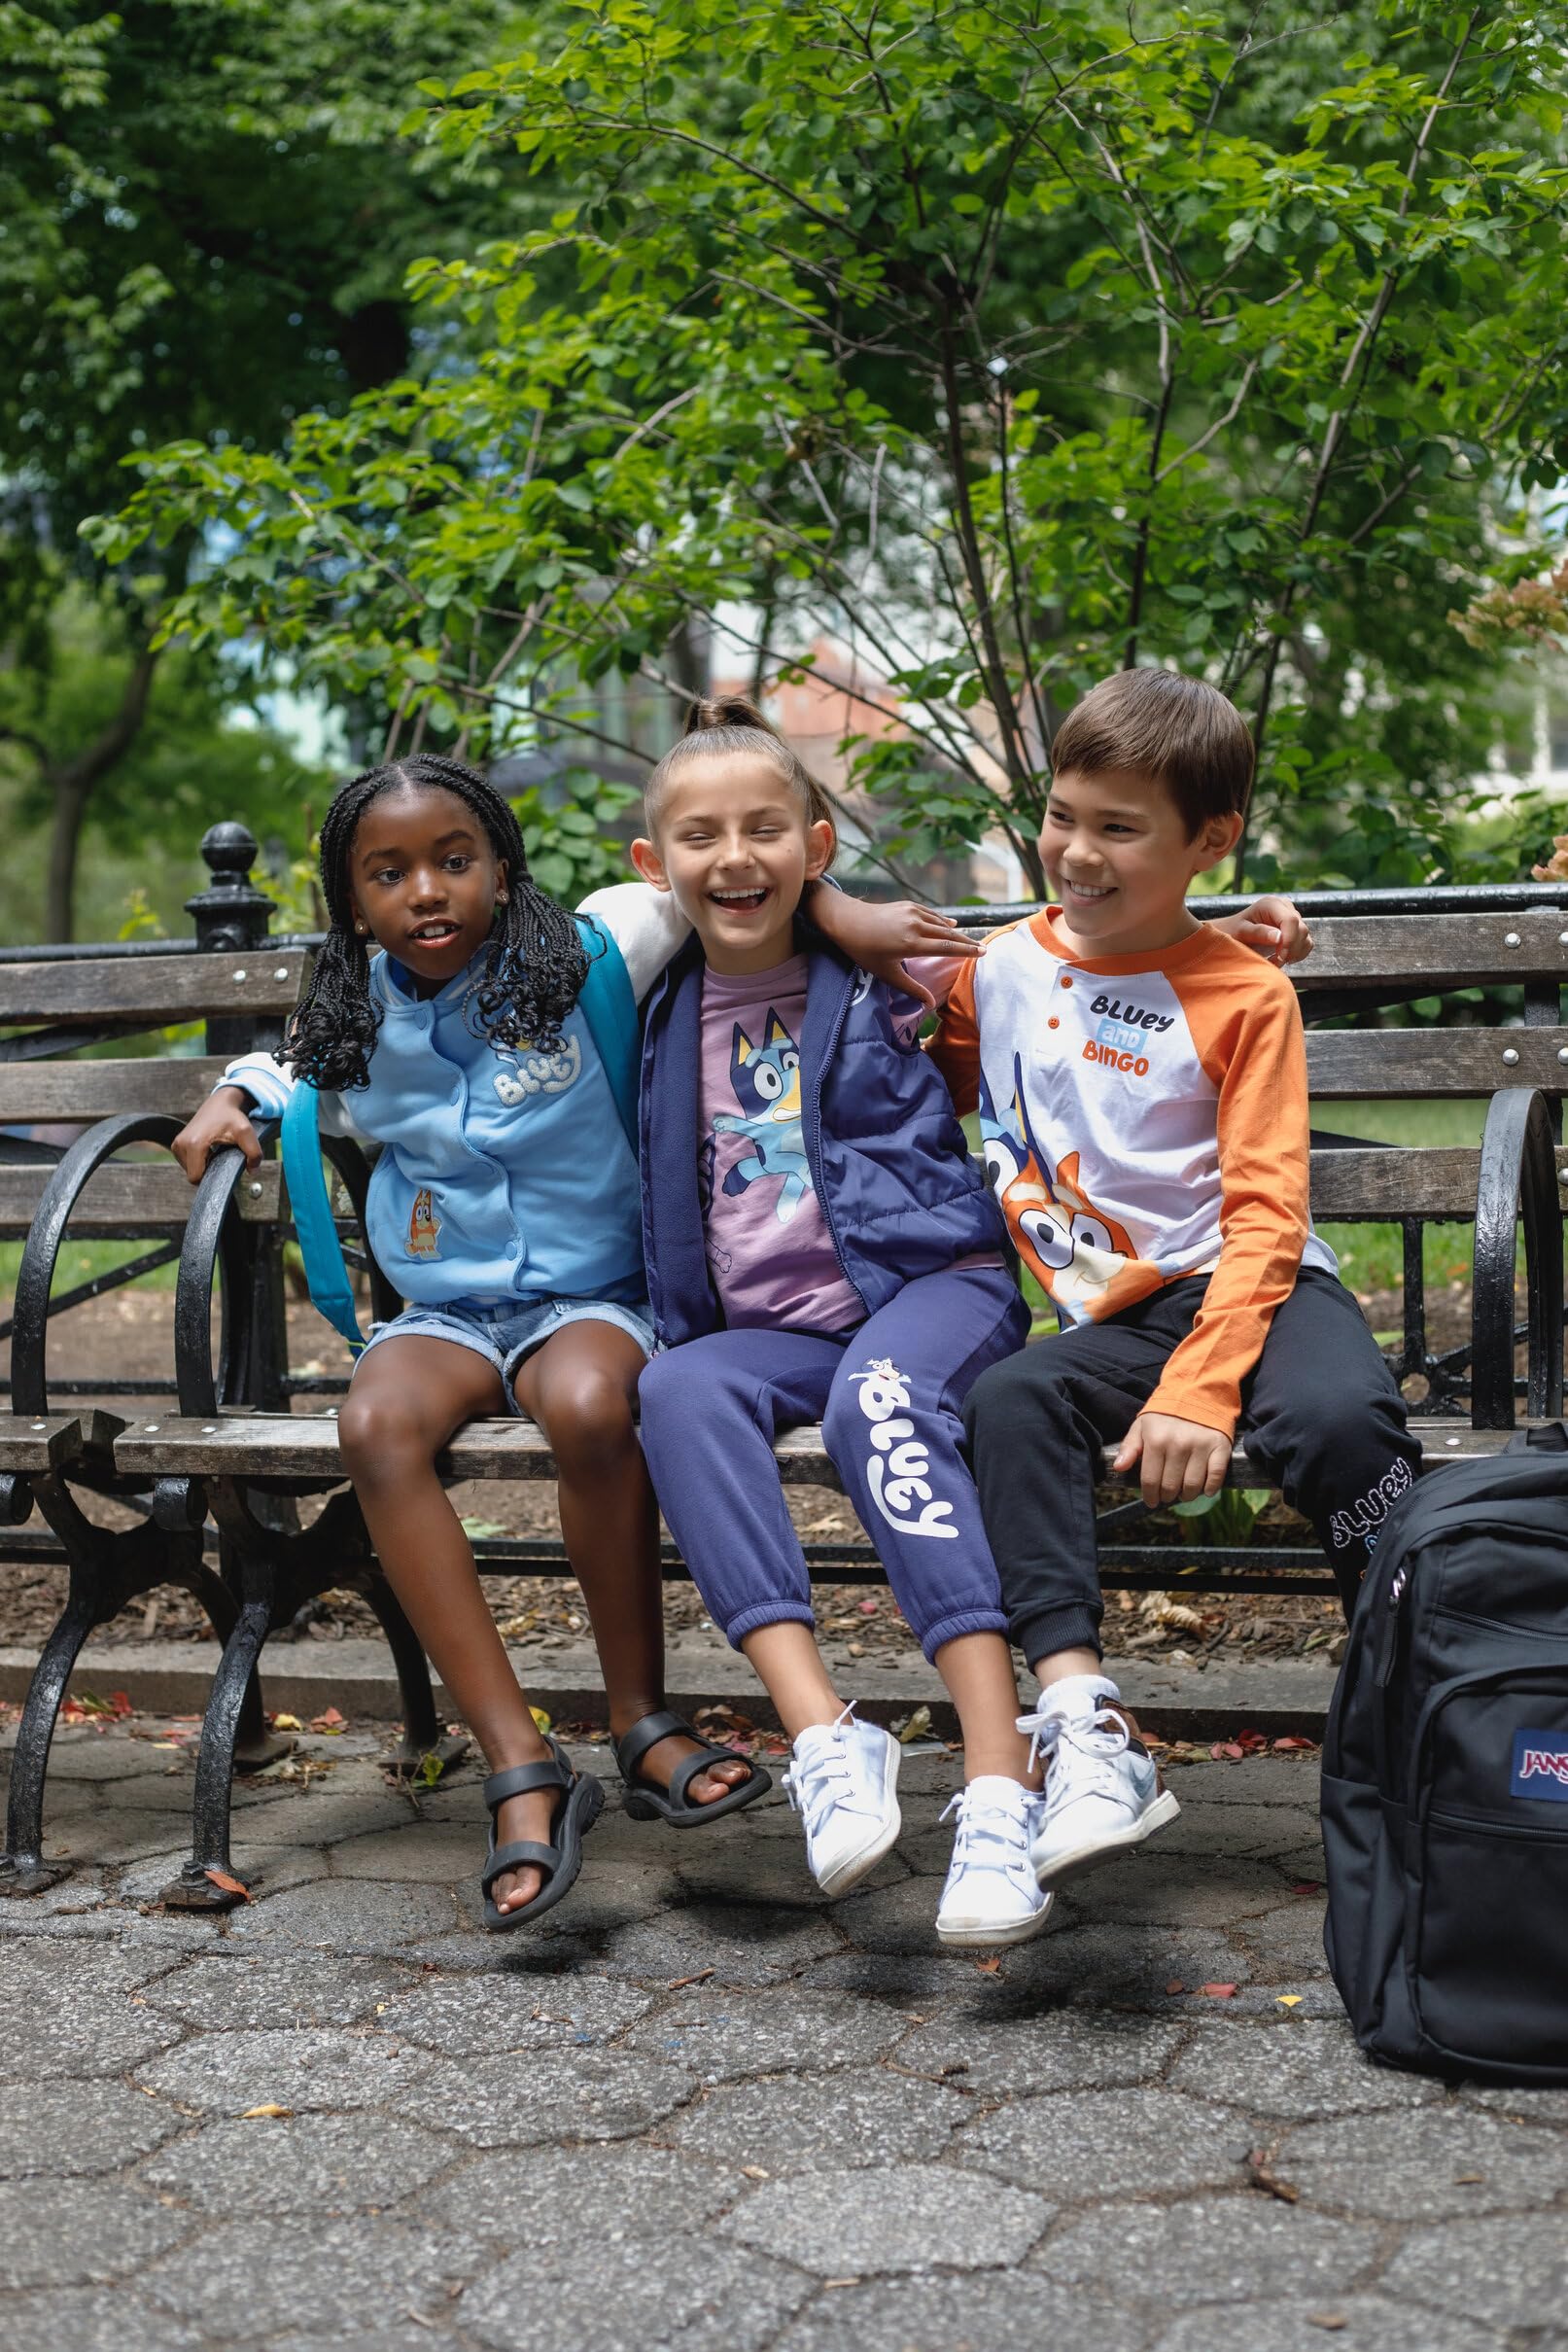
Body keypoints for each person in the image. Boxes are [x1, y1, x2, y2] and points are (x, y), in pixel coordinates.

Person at [170, 752, 933, 1929]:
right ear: (351, 900)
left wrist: (847, 910)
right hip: (446, 1313)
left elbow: (725, 883)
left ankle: (641, 1720)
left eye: (453, 861)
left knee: (589, 1404)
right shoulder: (358, 1010)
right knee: (373, 1421)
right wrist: (235, 1097)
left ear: (500, 866)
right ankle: (519, 1764)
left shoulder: (594, 948)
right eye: (390, 874)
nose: (427, 892)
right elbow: (287, 1065)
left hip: (596, 1295)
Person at [628, 696, 1307, 1946]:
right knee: (672, 1390)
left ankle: (1001, 1782)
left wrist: (1241, 931)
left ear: (816, 845)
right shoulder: (645, 996)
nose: (735, 858)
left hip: (926, 1296)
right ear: (653, 865)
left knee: (874, 1401)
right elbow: (427, 1001)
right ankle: (826, 1740)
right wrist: (261, 1081)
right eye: (701, 838)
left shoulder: (895, 971)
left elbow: (1074, 958)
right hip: (765, 1324)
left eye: (768, 831)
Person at [941, 669, 1418, 1895]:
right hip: (1116, 1316)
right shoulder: (993, 973)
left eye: (1117, 829)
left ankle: (1415, 1691)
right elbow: (894, 1033)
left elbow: (1266, 1212)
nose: (1075, 854)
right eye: (1062, 816)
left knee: (1340, 1426)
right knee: (1009, 1399)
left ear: (1210, 841)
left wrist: (1201, 1391)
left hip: (1254, 1283)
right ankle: (1084, 1726)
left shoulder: (1245, 991)